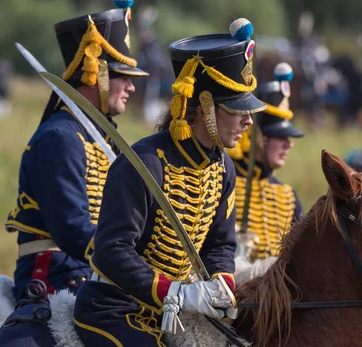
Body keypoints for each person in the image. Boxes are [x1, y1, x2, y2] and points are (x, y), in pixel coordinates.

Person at [73, 18, 266, 346]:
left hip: (172, 312)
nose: (249, 120)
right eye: (236, 110)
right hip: (114, 307)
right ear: (204, 106)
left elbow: (219, 244)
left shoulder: (224, 170)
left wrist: (220, 283)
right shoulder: (145, 163)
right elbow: (111, 250)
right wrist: (175, 292)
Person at [0, 0, 149, 345]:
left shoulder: (101, 139)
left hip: (96, 274)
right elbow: (75, 231)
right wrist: (136, 266)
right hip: (58, 278)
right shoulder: (60, 138)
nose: (131, 88)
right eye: (124, 77)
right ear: (97, 74)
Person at [227, 63, 304, 263]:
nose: (289, 145)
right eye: (280, 137)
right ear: (258, 136)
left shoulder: (289, 197)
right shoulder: (224, 182)